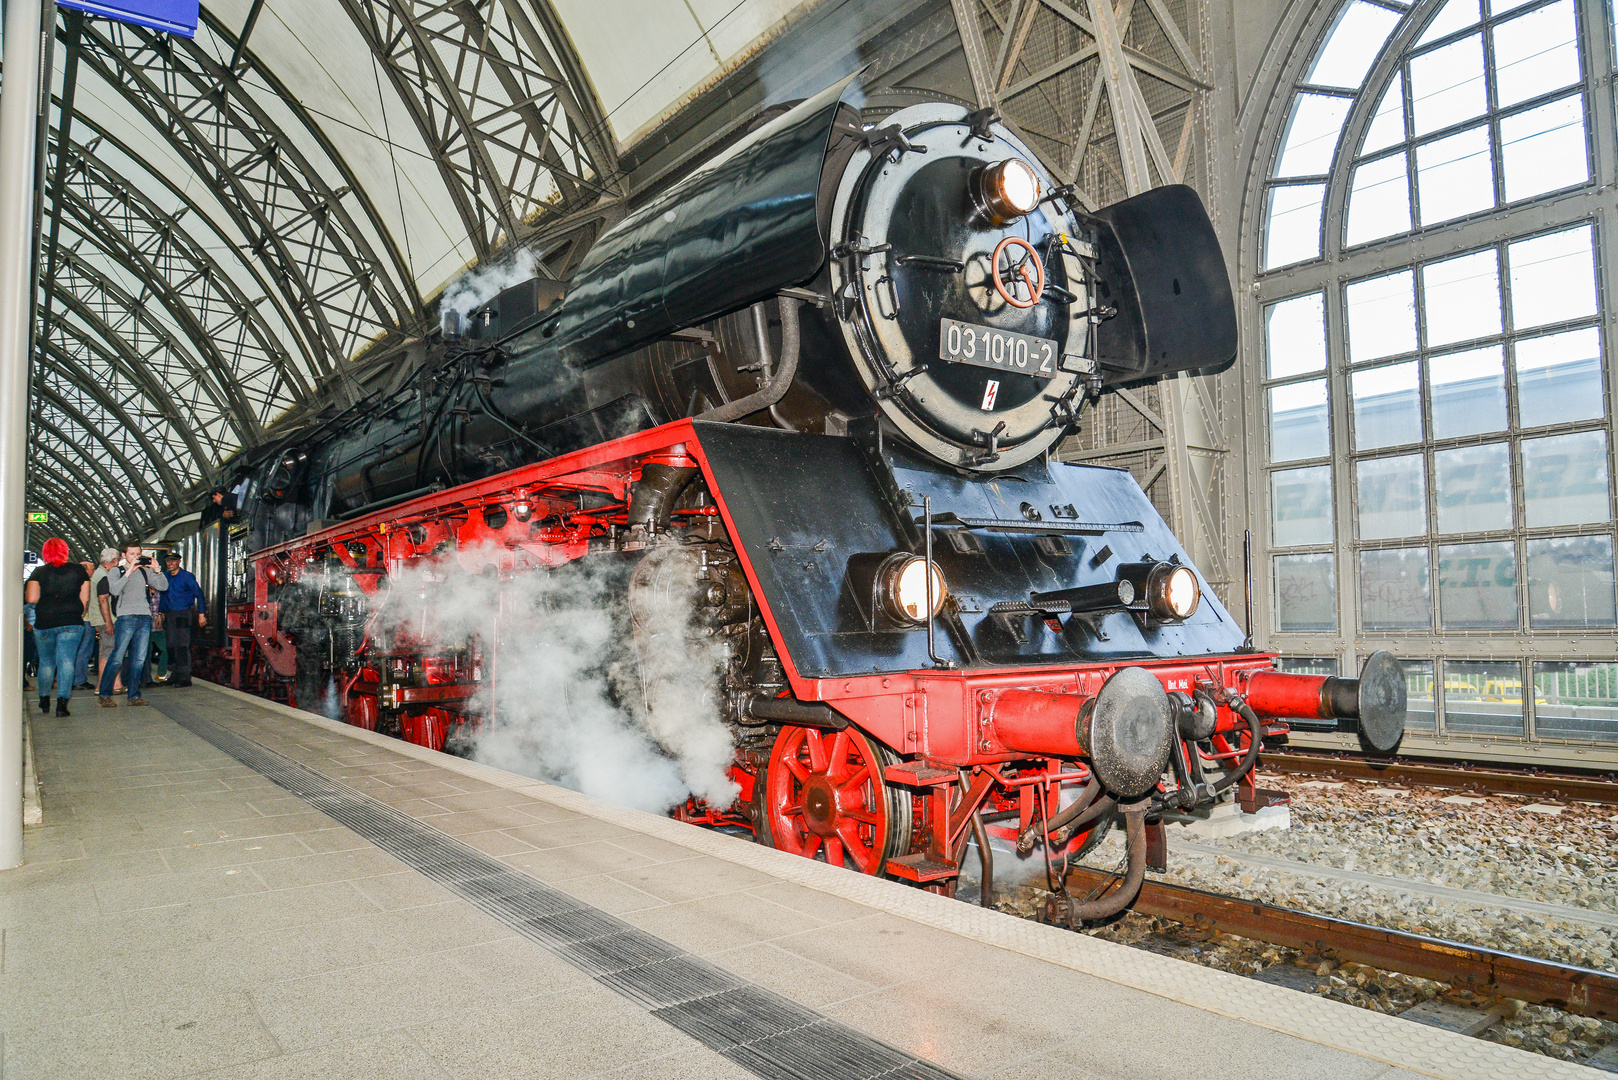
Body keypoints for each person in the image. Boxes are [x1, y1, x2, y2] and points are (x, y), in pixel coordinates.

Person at [97, 540, 167, 708]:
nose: (135, 557)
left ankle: (134, 695)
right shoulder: (116, 571)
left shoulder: (145, 572)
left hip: (144, 617)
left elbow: (163, 587)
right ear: (124, 555)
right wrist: (129, 571)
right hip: (126, 617)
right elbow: (114, 590)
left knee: (140, 659)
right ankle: (105, 694)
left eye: (138, 554)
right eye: (132, 554)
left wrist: (157, 571)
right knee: (117, 657)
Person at [25, 538, 90, 716]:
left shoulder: (38, 572)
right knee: (66, 662)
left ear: (45, 552)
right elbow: (84, 601)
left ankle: (44, 699)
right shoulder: (79, 571)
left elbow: (31, 599)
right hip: (71, 622)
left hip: (45, 622)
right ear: (65, 551)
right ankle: (62, 704)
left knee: (46, 662)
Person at [159, 550, 205, 687]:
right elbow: (163, 596)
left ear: (179, 562)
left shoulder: (187, 577)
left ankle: (185, 678)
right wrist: (160, 613)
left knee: (182, 646)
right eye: (168, 561)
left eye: (173, 561)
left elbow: (199, 594)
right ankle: (174, 674)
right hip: (169, 615)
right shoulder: (165, 576)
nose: (170, 563)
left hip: (183, 614)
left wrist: (201, 614)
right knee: (170, 646)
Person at [90, 548, 119, 690]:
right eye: (118, 560)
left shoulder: (99, 573)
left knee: (109, 650)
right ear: (112, 561)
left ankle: (115, 684)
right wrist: (108, 622)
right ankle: (102, 685)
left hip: (101, 619)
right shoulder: (103, 576)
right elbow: (103, 600)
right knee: (109, 651)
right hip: (106, 620)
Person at [75, 560, 97, 690]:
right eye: (92, 569)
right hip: (86, 620)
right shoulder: (86, 584)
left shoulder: (72, 582)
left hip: (76, 621)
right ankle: (80, 680)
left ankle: (75, 679)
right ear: (85, 570)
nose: (94, 571)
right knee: (84, 651)